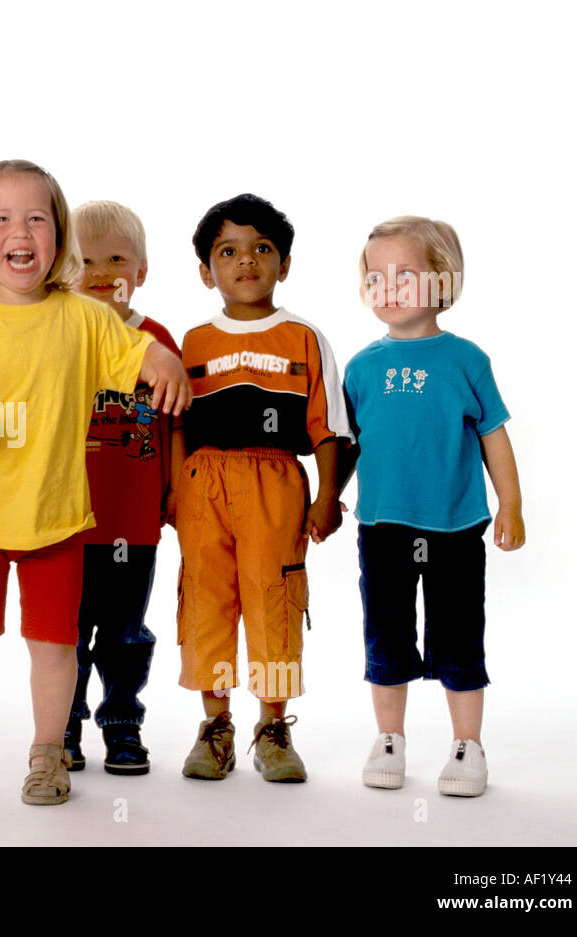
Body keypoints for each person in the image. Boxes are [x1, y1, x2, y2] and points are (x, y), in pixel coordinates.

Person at [0, 161, 190, 806]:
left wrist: (164, 358)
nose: (21, 231)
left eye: (37, 217)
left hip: (60, 521)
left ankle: (48, 753)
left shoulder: (83, 317)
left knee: (54, 646)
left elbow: (135, 352)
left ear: (58, 236)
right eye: (1, 218)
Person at [176, 193, 356, 783]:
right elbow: (174, 422)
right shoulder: (193, 342)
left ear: (285, 262)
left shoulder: (303, 337)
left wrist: (327, 496)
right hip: (204, 482)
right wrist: (176, 490)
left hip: (275, 482)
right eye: (228, 251)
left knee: (272, 600)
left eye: (262, 249)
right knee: (207, 600)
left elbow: (330, 426)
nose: (246, 261)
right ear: (207, 271)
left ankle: (273, 728)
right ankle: (215, 725)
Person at [345, 216, 525, 797]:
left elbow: (494, 434)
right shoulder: (362, 367)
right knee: (386, 634)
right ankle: (389, 738)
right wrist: (324, 501)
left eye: (404, 275)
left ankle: (467, 746)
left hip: (454, 527)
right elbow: (347, 444)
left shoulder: (466, 360)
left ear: (442, 281)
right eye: (376, 277)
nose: (387, 287)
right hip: (382, 529)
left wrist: (511, 504)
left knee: (458, 634)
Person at [65, 200, 181, 775]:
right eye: (85, 260)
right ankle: (62, 726)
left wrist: (176, 489)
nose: (102, 270)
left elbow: (176, 425)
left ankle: (122, 724)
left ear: (141, 271)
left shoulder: (158, 341)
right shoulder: (59, 336)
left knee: (125, 632)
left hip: (135, 522)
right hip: (66, 519)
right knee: (64, 632)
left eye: (117, 258)